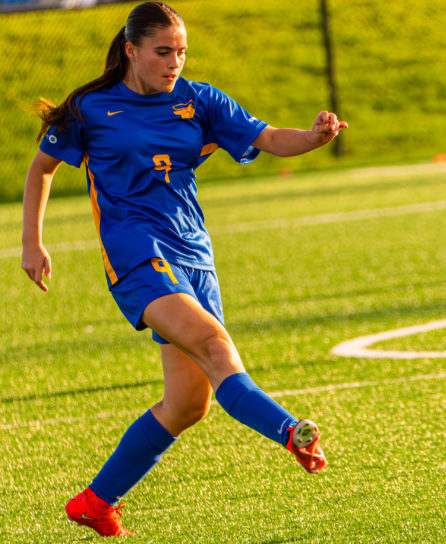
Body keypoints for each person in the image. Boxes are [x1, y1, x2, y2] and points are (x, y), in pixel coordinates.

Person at [21, 1, 347, 537]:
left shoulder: (199, 100)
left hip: (194, 254)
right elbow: (42, 168)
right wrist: (32, 242)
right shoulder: (92, 108)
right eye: (163, 51)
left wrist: (313, 138)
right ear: (131, 51)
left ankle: (95, 503)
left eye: (182, 52)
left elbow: (268, 137)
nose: (175, 62)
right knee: (216, 348)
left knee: (188, 404)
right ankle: (292, 431)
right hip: (136, 254)